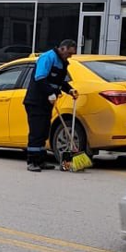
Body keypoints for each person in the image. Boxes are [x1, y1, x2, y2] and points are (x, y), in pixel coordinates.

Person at [24, 39, 78, 172]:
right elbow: (40, 78)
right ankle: (32, 161)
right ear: (63, 48)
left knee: (44, 131)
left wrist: (70, 90)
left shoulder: (63, 63)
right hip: (36, 101)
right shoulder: (47, 58)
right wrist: (50, 93)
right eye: (69, 53)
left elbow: (60, 82)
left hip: (47, 102)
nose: (70, 56)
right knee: (36, 131)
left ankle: (41, 160)